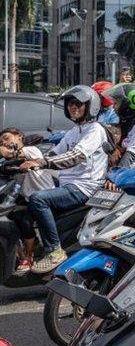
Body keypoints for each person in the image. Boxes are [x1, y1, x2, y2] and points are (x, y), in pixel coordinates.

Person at [22, 86, 109, 273]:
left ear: (90, 106)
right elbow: (54, 153)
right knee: (23, 203)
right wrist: (22, 158)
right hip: (68, 184)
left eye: (78, 104)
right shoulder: (74, 131)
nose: (73, 108)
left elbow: (75, 156)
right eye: (70, 104)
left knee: (39, 199)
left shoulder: (95, 130)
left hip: (85, 187)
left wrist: (42, 162)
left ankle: (54, 250)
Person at [1, 128, 53, 272]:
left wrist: (3, 150)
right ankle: (24, 250)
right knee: (10, 214)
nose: (4, 142)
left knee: (23, 218)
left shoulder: (31, 151)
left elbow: (12, 154)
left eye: (6, 138)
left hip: (43, 196)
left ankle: (28, 256)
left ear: (19, 136)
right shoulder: (9, 158)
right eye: (1, 141)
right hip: (26, 196)